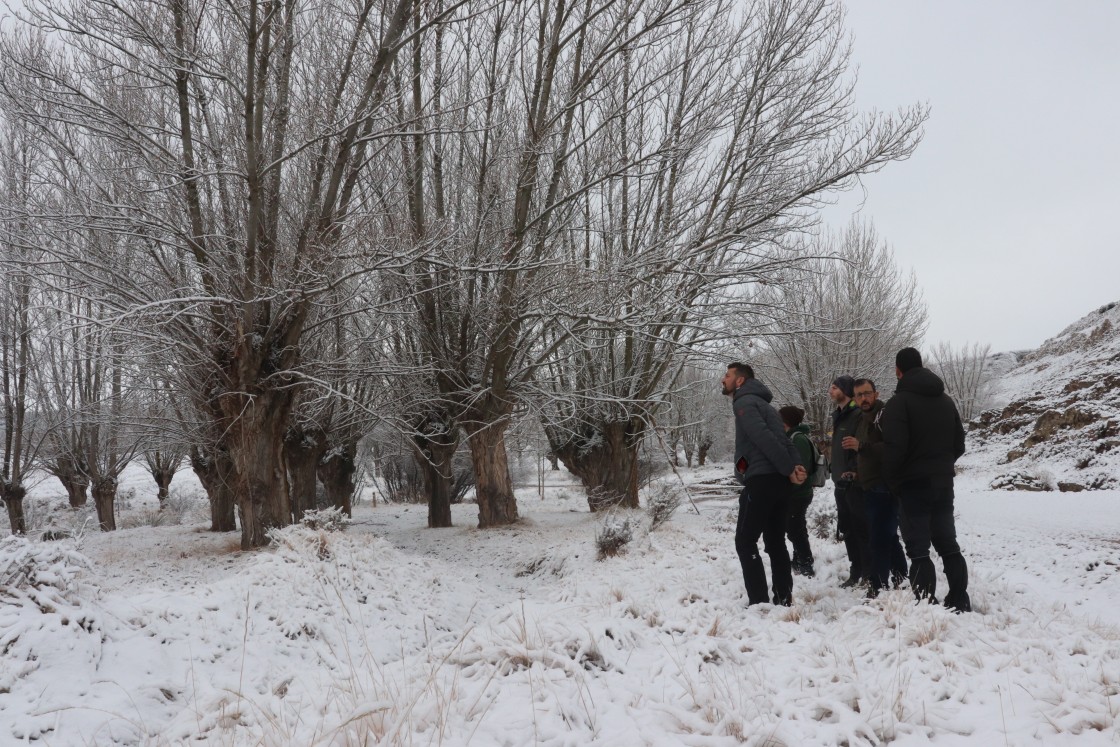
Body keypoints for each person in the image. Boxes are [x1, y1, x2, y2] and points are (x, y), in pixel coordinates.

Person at [881, 347, 971, 612]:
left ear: (898, 371)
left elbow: (895, 448)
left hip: (912, 485)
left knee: (918, 548)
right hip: (943, 483)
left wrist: (892, 480)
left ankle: (925, 606)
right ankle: (959, 599)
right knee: (948, 544)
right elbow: (959, 444)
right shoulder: (945, 400)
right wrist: (941, 466)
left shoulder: (899, 403)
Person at [721, 362, 807, 606]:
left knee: (745, 541)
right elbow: (784, 440)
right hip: (779, 484)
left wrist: (789, 468)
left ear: (740, 381)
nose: (723, 380)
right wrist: (796, 466)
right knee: (775, 541)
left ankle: (759, 602)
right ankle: (783, 598)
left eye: (727, 376)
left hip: (763, 482)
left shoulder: (743, 402)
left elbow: (764, 438)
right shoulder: (767, 407)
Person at [841, 378, 907, 597]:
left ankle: (878, 586)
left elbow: (892, 447)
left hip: (885, 485)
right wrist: (856, 472)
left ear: (876, 394)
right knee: (886, 535)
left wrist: (861, 446)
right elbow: (867, 454)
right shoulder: (862, 418)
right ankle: (900, 577)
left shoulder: (884, 415)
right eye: (858, 395)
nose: (863, 398)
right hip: (869, 484)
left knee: (878, 537)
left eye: (867, 393)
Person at [829, 375, 871, 588]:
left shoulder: (856, 415)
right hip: (840, 483)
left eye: (834, 387)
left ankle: (867, 571)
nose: (830, 390)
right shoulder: (838, 416)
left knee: (860, 529)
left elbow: (859, 448)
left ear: (845, 391)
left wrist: (853, 471)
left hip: (854, 484)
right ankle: (856, 569)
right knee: (847, 529)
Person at [778, 405, 816, 578]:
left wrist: (788, 488)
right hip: (797, 492)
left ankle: (806, 562)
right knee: (795, 527)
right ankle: (799, 559)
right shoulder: (792, 437)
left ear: (785, 421)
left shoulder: (798, 439)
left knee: (795, 528)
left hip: (798, 493)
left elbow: (801, 470)